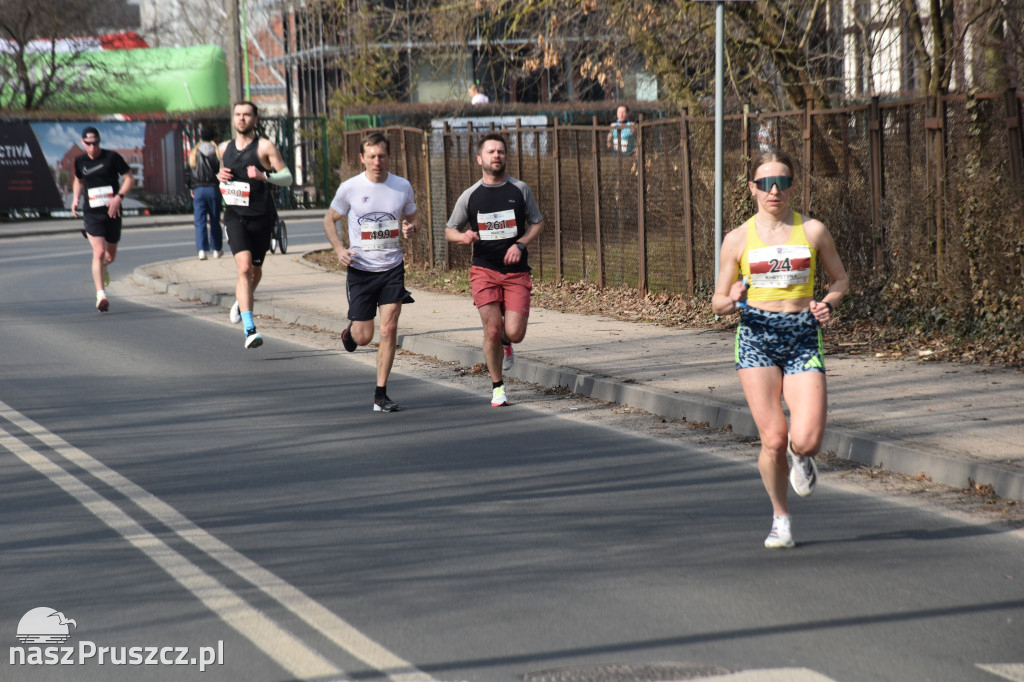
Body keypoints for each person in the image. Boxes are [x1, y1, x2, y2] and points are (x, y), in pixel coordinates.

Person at [712, 149, 849, 550]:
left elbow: (840, 280)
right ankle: (780, 518)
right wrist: (734, 296)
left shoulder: (813, 231)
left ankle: (801, 456)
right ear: (752, 188)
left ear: (792, 187)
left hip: (803, 336)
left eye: (783, 182)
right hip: (756, 336)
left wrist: (828, 302)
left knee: (804, 440)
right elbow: (718, 303)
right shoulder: (737, 239)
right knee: (772, 438)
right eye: (766, 183)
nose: (775, 190)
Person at [322, 132, 421, 412]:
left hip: (391, 268)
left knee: (389, 329)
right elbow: (330, 219)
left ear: (389, 157)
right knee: (364, 337)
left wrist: (412, 228)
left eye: (382, 156)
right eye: (372, 156)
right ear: (362, 158)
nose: (377, 161)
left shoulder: (402, 186)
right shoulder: (350, 187)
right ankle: (350, 334)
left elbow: (415, 218)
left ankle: (381, 394)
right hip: (361, 270)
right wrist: (340, 250)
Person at [446, 132, 544, 407]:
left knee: (514, 332)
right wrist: (463, 237)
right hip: (484, 270)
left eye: (500, 151)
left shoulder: (520, 190)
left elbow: (538, 223)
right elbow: (449, 230)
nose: (496, 155)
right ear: (480, 158)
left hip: (516, 273)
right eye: (491, 151)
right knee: (490, 328)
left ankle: (506, 341)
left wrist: (521, 244)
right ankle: (498, 387)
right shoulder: (471, 196)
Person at [217, 101, 293, 349]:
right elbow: (222, 177)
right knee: (244, 267)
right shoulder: (223, 148)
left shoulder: (264, 146)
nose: (241, 119)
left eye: (246, 115)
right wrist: (221, 177)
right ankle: (250, 329)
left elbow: (287, 177)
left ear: (255, 119)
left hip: (261, 217)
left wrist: (264, 175)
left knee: (255, 272)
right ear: (233, 119)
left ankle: (242, 300)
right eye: (237, 114)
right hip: (234, 216)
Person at [71, 126, 136, 313]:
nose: (93, 147)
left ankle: (103, 268)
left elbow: (129, 179)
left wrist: (118, 197)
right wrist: (75, 198)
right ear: (83, 143)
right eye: (89, 144)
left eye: (96, 143)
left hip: (112, 212)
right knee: (99, 252)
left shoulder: (112, 158)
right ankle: (101, 295)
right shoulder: (79, 161)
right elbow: (78, 180)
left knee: (109, 256)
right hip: (92, 213)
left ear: (100, 142)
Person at [188, 124, 223, 260]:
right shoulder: (216, 151)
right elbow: (220, 170)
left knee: (200, 221)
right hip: (214, 189)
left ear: (200, 136)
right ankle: (217, 249)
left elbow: (189, 172)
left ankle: (201, 250)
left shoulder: (194, 152)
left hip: (198, 190)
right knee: (215, 220)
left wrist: (191, 187)